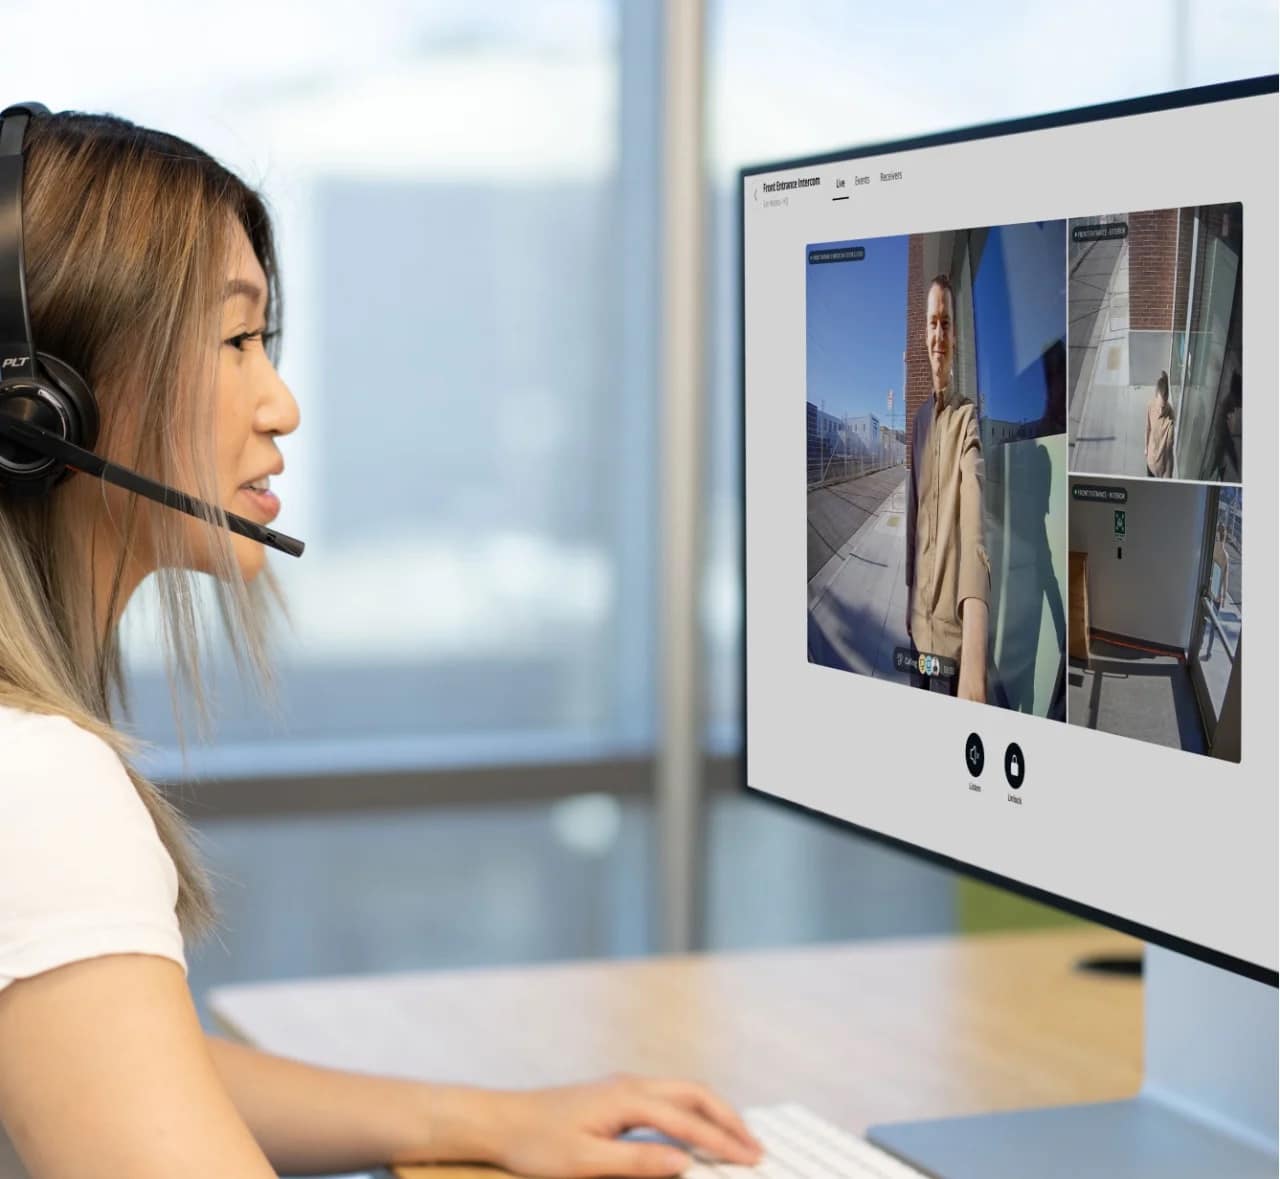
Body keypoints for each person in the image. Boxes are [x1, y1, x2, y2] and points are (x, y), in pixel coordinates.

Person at [0, 109, 762, 1179]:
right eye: (235, 340)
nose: (281, 403)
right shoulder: (35, 782)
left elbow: (118, 1065)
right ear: (42, 410)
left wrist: (483, 1123)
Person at [904, 274, 990, 702]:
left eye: (946, 324)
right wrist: (907, 601)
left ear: (955, 336)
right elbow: (914, 518)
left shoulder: (967, 416)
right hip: (916, 633)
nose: (939, 333)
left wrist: (974, 663)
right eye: (933, 323)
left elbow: (974, 524)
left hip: (951, 652)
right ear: (925, 334)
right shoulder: (918, 422)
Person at [1144, 370, 1175, 478]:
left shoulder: (1170, 418)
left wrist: (1168, 473)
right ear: (1155, 396)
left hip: (1162, 469)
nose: (1162, 410)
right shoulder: (1150, 406)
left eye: (1164, 405)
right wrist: (1146, 447)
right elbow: (1148, 428)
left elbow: (1169, 451)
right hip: (1150, 462)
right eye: (1160, 406)